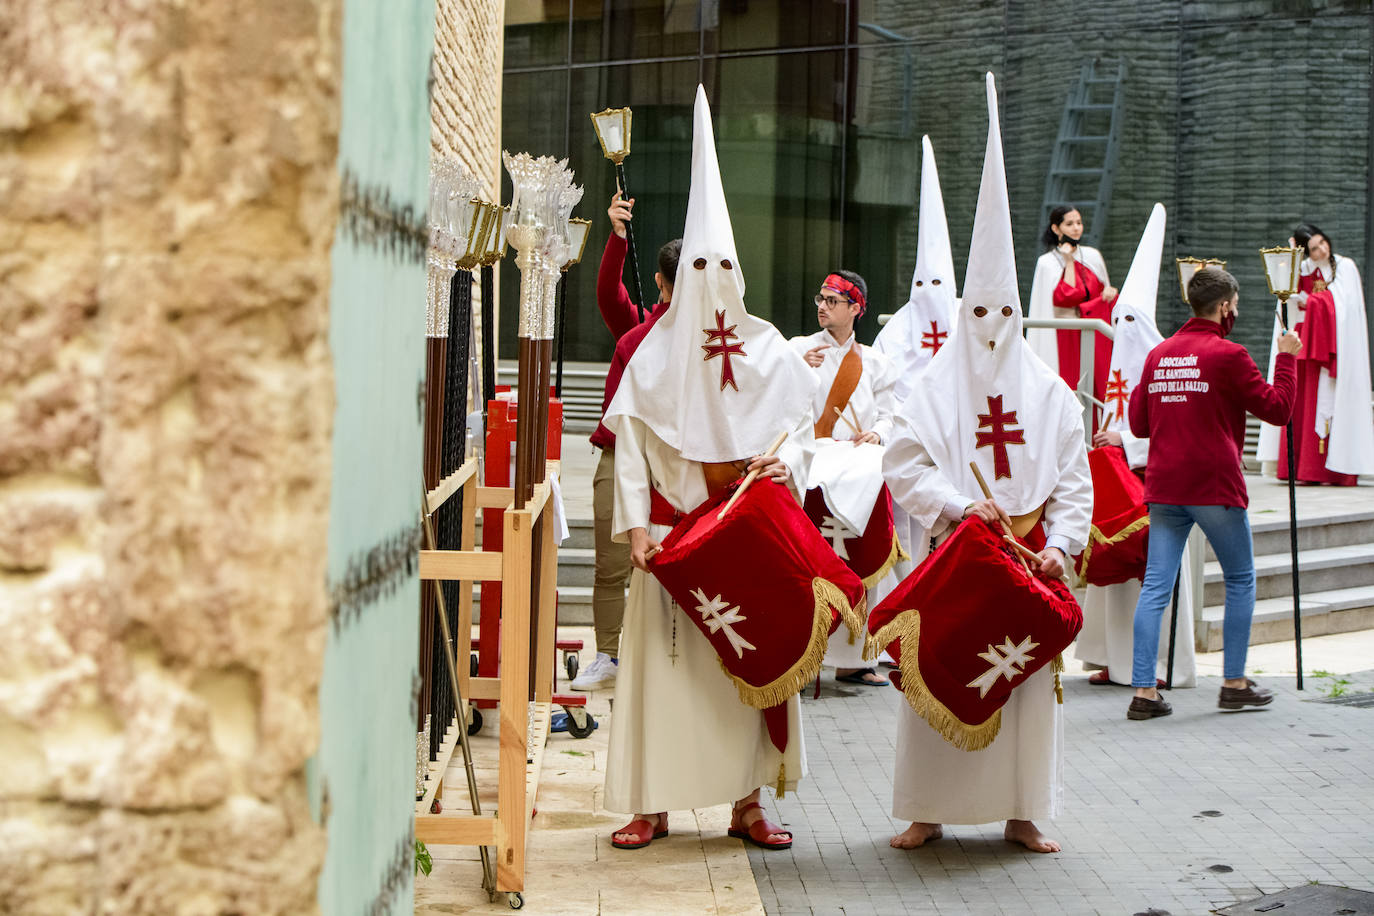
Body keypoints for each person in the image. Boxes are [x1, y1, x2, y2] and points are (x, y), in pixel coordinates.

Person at [601, 85, 820, 852]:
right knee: (661, 683)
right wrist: (635, 528)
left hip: (743, 538)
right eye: (701, 264)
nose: (714, 275)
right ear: (682, 274)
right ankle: (650, 804)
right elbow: (630, 443)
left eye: (724, 263)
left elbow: (804, 433)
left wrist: (781, 458)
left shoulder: (771, 349)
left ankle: (748, 803)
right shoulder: (652, 355)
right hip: (668, 541)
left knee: (746, 674)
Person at [883, 73, 1091, 855]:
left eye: (1007, 312)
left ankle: (1024, 809)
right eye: (981, 312)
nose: (994, 327)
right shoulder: (931, 386)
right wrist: (955, 508)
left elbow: (1073, 480)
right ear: (965, 309)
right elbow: (903, 463)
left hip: (1029, 558)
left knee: (1027, 688)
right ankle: (926, 808)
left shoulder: (1050, 392)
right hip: (956, 556)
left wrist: (1060, 547)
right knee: (939, 671)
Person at [1125, 268, 1301, 721]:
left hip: (1164, 486)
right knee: (1240, 579)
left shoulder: (1158, 354)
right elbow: (1278, 409)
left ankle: (1144, 692)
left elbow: (1140, 426)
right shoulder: (1229, 354)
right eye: (1235, 305)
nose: (1236, 312)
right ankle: (1234, 683)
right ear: (1225, 307)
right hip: (1214, 484)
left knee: (1156, 587)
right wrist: (1287, 358)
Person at [1074, 204, 1197, 689]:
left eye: (1130, 318)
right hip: (1116, 490)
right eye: (1117, 317)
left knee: (1153, 580)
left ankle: (1162, 664)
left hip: (1154, 487)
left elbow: (1172, 427)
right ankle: (1114, 659)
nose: (1121, 325)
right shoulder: (1121, 365)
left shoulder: (1167, 364)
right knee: (1115, 585)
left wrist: (1123, 439)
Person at [571, 194, 680, 691]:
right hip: (618, 457)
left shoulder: (709, 341)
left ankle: (666, 656)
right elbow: (609, 296)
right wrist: (618, 239)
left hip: (678, 463)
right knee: (611, 565)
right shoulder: (637, 335)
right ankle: (609, 653)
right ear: (660, 281)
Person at [789, 270, 898, 687]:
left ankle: (856, 659)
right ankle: (803, 657)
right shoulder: (796, 350)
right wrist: (797, 369)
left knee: (863, 555)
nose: (822, 305)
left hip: (857, 466)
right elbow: (770, 397)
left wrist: (879, 433)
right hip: (812, 463)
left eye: (833, 300)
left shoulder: (875, 362)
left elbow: (891, 415)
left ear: (856, 309)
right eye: (821, 298)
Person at [1255, 223, 1374, 485]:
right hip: (1303, 341)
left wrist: (1312, 301)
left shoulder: (1344, 267)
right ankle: (1300, 468)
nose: (1321, 250)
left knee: (1325, 400)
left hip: (1329, 343)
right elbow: (1287, 292)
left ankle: (1327, 470)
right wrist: (1292, 255)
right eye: (1313, 248)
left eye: (1322, 243)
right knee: (1301, 403)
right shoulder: (1302, 267)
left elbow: (1343, 306)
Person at [873, 136, 959, 404]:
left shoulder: (967, 315)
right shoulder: (900, 324)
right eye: (920, 284)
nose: (927, 292)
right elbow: (878, 367)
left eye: (936, 283)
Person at [1027, 205, 1117, 416]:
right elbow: (1066, 296)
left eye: (1078, 223)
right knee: (1070, 385)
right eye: (1069, 224)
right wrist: (1068, 261)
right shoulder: (1047, 263)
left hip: (1093, 335)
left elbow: (1103, 292)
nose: (1076, 228)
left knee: (1098, 385)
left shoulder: (1093, 256)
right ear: (1056, 229)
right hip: (1063, 337)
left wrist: (1110, 292)